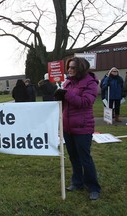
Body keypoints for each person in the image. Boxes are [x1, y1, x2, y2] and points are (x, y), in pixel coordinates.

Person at [54, 57, 101, 200]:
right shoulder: (67, 82)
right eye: (68, 67)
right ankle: (77, 182)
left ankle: (93, 187)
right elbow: (65, 101)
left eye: (73, 67)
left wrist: (66, 94)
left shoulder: (91, 83)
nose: (69, 70)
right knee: (74, 157)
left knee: (85, 158)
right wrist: (59, 96)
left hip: (82, 127)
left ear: (81, 68)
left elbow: (85, 102)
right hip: (68, 127)